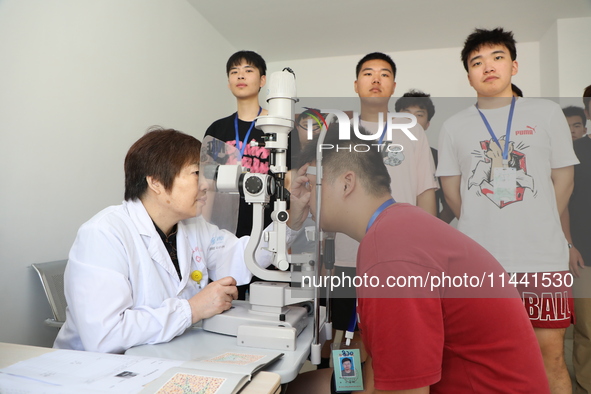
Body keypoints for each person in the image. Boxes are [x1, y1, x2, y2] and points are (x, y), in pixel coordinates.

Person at [289, 129, 550, 392]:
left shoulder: (390, 251)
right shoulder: (399, 225)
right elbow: (381, 365)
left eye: (311, 184)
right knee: (304, 387)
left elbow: (406, 390)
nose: (306, 196)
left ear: (346, 183)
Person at [54, 128, 306, 354]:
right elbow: (105, 336)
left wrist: (292, 219)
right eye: (197, 173)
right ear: (155, 182)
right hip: (96, 374)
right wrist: (192, 309)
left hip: (164, 358)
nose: (207, 184)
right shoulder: (103, 234)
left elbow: (243, 258)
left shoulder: (193, 226)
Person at [437, 27, 578, 393]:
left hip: (543, 259)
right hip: (481, 262)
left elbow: (563, 181)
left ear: (514, 66)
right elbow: (452, 193)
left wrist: (537, 218)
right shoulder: (454, 127)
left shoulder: (546, 113)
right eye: (476, 62)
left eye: (497, 57)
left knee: (551, 357)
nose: (488, 67)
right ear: (468, 75)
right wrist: (488, 221)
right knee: (486, 358)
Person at [331, 53, 438, 342]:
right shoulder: (339, 131)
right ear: (356, 85)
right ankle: (348, 389)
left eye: (384, 74)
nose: (376, 79)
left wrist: (426, 253)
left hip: (401, 256)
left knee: (393, 338)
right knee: (346, 340)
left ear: (393, 86)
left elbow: (425, 193)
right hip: (349, 254)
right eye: (368, 73)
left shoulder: (412, 130)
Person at [204, 50, 272, 300]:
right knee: (225, 299)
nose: (240, 76)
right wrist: (204, 229)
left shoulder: (278, 127)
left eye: (248, 70)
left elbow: (289, 181)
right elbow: (207, 182)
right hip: (225, 229)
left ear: (262, 80)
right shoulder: (217, 129)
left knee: (264, 301)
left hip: (266, 230)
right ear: (228, 81)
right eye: (234, 72)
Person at [394, 90, 454, 223]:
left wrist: (434, 228)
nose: (412, 120)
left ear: (427, 124)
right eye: (406, 113)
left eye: (419, 115)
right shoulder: (385, 151)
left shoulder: (438, 157)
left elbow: (450, 203)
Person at [568, 85, 591, 394]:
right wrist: (569, 244)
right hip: (585, 251)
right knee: (587, 329)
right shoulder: (575, 151)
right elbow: (563, 202)